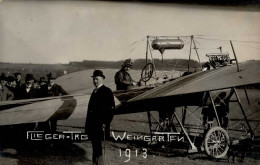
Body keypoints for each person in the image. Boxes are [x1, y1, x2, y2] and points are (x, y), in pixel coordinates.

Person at [85, 70, 115, 165]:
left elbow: (111, 109)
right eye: (94, 79)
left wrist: (105, 123)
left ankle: (99, 163)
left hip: (100, 125)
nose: (95, 81)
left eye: (97, 79)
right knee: (95, 145)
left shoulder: (107, 91)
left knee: (98, 145)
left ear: (102, 79)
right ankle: (95, 163)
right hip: (93, 125)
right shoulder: (94, 91)